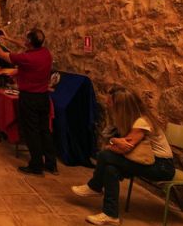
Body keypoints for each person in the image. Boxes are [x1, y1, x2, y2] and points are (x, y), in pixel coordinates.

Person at [71, 86, 175, 225]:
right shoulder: (131, 119)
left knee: (104, 155)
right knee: (110, 169)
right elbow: (119, 144)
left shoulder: (141, 122)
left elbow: (123, 148)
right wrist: (115, 141)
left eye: (110, 102)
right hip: (148, 161)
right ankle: (111, 215)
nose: (107, 104)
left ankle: (95, 187)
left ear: (121, 105)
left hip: (161, 167)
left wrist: (113, 142)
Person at [0, 28, 57, 176]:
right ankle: (51, 164)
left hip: (30, 98)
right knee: (45, 130)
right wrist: (8, 39)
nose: (24, 41)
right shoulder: (46, 53)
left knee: (32, 132)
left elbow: (1, 54)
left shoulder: (26, 58)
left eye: (26, 39)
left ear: (29, 42)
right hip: (43, 97)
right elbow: (23, 44)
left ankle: (36, 166)